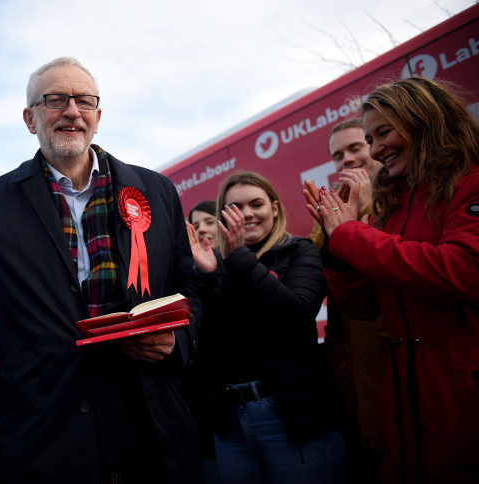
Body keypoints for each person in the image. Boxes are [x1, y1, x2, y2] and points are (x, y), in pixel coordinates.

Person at [0, 56, 203, 483]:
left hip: (149, 428)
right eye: (55, 99)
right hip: (45, 436)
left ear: (98, 116)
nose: (71, 110)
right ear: (29, 118)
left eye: (84, 100)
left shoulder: (157, 191)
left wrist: (179, 339)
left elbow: (191, 286)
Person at [306, 77, 479, 483]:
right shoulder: (400, 202)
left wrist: (351, 234)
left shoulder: (470, 183)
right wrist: (338, 248)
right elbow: (366, 306)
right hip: (405, 396)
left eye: (383, 132)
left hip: (460, 390)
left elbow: (460, 273)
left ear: (425, 121)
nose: (376, 148)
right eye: (371, 137)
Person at [188, 171, 344, 484]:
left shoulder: (299, 251)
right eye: (235, 207)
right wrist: (207, 277)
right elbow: (210, 338)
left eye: (256, 204)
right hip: (230, 423)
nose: (246, 214)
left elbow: (296, 315)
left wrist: (239, 259)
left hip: (291, 417)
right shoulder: (215, 264)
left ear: (274, 208)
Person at [307, 118, 388, 483]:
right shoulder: (326, 222)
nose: (347, 161)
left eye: (357, 147)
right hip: (355, 380)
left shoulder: (409, 203)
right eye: (337, 155)